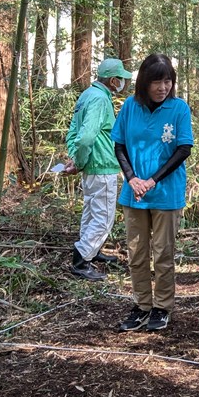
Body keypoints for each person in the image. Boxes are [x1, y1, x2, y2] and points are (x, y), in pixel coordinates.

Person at [112, 54, 194, 332]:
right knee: (136, 253)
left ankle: (162, 306)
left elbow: (183, 149)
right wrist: (133, 178)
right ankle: (142, 305)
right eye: (156, 81)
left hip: (166, 194)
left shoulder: (179, 108)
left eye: (167, 81)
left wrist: (152, 180)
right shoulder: (130, 106)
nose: (162, 87)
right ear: (144, 83)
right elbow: (119, 145)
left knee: (163, 253)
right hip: (133, 193)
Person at [64, 57, 133, 281]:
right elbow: (86, 137)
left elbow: (74, 131)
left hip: (92, 166)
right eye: (121, 79)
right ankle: (81, 260)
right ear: (113, 80)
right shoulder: (100, 99)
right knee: (103, 218)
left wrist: (76, 159)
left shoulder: (88, 95)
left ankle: (91, 252)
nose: (123, 83)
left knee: (92, 212)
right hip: (102, 166)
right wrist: (79, 161)